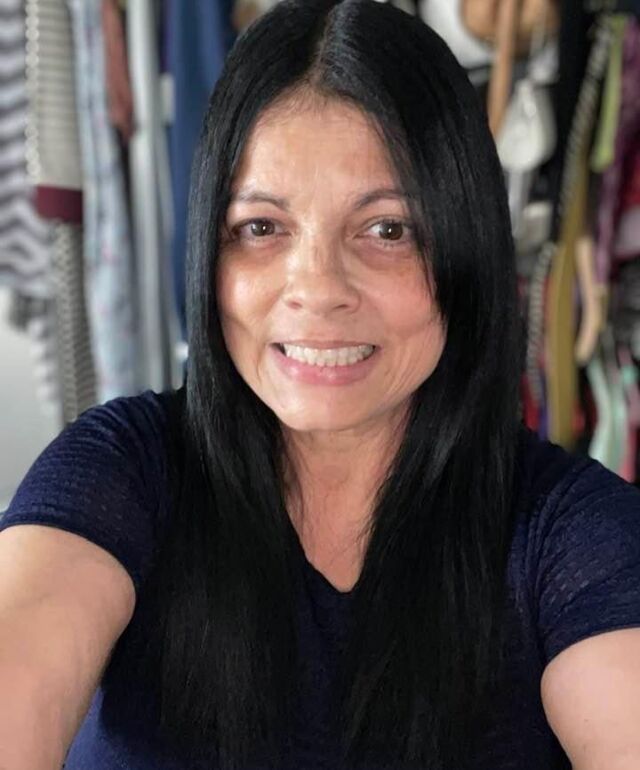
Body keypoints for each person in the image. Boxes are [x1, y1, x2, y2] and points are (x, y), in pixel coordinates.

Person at [1, 1, 640, 768]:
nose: (317, 289)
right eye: (261, 228)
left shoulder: (573, 533)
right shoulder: (119, 471)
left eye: (388, 229)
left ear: (464, 247)